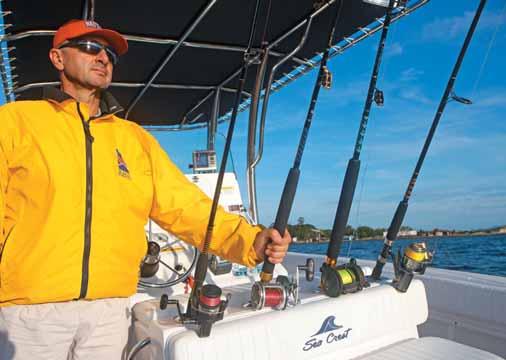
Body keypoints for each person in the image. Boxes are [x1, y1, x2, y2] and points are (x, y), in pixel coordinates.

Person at [0, 19, 291, 359]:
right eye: (91, 47)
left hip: (109, 314)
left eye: (109, 53)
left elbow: (188, 208)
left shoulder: (135, 140)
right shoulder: (15, 121)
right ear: (58, 58)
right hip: (29, 314)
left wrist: (249, 240)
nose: (103, 58)